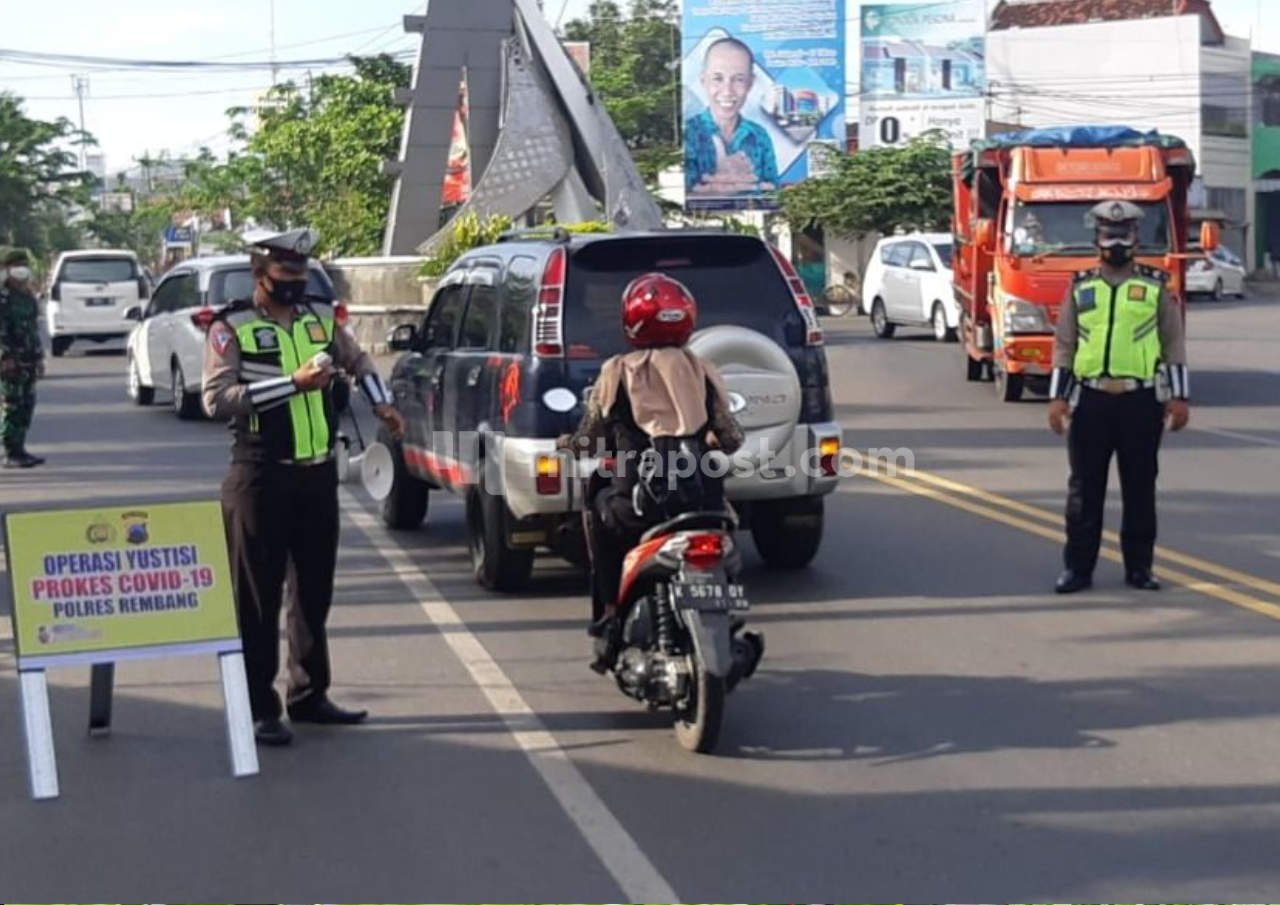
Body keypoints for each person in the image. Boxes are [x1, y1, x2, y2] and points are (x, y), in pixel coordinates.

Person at [202, 227, 407, 746]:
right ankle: (259, 706)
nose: (293, 284)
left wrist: (381, 400)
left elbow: (358, 361)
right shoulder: (233, 327)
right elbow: (217, 398)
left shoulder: (319, 317)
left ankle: (309, 695)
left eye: (300, 274)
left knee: (314, 590)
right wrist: (290, 384)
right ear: (259, 274)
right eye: (284, 275)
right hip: (259, 476)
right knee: (258, 596)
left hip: (317, 473)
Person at [557, 273, 744, 670]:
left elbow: (590, 437)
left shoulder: (617, 371)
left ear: (631, 322)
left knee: (598, 507)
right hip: (702, 500)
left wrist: (568, 445)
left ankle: (610, 613)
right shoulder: (703, 369)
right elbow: (731, 438)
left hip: (638, 504)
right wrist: (704, 440)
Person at [1047, 200, 1190, 594]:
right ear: (1096, 238)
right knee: (1083, 490)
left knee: (1140, 487)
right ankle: (1077, 569)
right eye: (1108, 234)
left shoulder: (1154, 285)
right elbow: (1064, 345)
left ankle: (1139, 569)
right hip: (1091, 402)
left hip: (1140, 402)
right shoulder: (1081, 287)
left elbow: (1173, 343)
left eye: (1123, 234)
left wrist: (1179, 398)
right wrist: (1057, 399)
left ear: (1136, 238)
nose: (1115, 242)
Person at [685, 37, 780, 197]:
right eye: (718, 79)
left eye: (739, 79)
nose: (727, 91)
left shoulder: (760, 136)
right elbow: (683, 196)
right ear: (703, 81)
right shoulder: (688, 132)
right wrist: (717, 187)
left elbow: (773, 192)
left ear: (750, 83)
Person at [0, 247, 46, 469]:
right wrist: (5, 356)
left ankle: (20, 448)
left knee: (27, 404)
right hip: (9, 361)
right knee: (13, 405)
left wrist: (38, 359)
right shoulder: (3, 298)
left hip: (27, 359)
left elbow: (32, 330)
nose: (21, 270)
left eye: (24, 265)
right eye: (16, 265)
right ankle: (10, 451)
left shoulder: (27, 297)